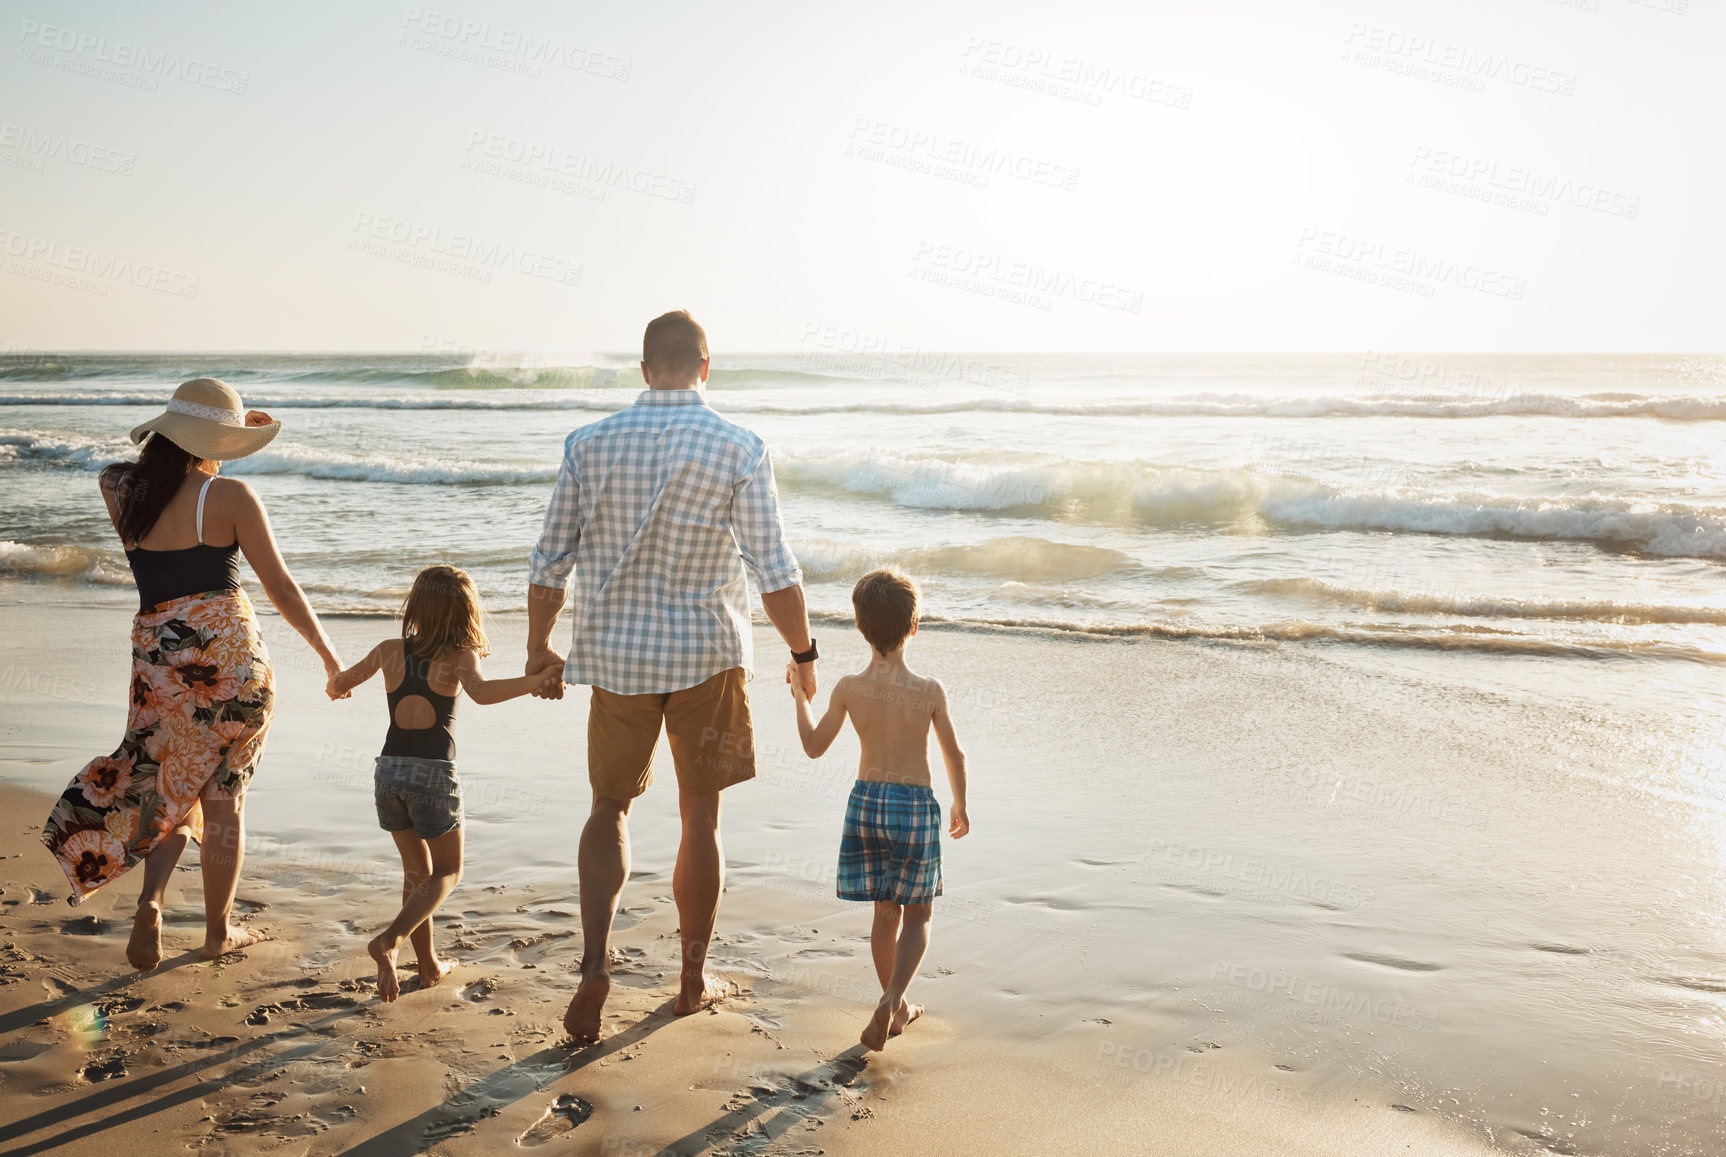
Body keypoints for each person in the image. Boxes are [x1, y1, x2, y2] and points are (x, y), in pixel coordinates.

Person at [525, 310, 815, 1042]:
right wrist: (804, 653)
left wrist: (538, 646)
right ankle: (690, 980)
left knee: (608, 808)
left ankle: (595, 964)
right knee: (700, 815)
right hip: (707, 657)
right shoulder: (739, 446)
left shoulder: (589, 444)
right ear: (706, 367)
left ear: (647, 367)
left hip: (618, 657)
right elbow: (774, 568)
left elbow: (548, 559)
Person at [41, 377, 345, 969]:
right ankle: (217, 932)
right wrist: (330, 658)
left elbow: (128, 481)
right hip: (232, 664)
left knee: (167, 785)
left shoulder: (119, 488)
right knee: (223, 799)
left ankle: (151, 903)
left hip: (159, 658)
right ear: (216, 438)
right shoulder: (229, 496)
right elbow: (280, 586)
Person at [326, 565, 562, 1001]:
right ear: (465, 613)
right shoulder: (458, 655)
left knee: (417, 874)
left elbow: (341, 682)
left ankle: (429, 965)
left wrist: (336, 684)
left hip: (388, 771)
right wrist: (536, 682)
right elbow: (483, 693)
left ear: (415, 606)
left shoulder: (388, 649)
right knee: (448, 872)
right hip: (432, 773)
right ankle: (390, 941)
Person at [788, 568, 969, 1051]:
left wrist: (798, 699)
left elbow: (812, 746)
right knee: (919, 914)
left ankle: (897, 1006)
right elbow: (955, 754)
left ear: (860, 627)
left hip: (866, 802)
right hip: (913, 804)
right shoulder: (930, 690)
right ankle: (891, 1001)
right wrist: (961, 804)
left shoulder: (848, 687)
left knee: (885, 912)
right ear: (914, 627)